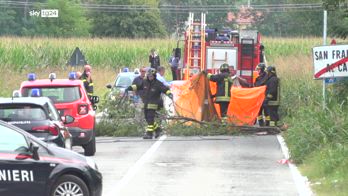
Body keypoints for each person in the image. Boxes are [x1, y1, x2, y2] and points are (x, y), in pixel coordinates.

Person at [126, 68, 173, 139]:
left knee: (150, 117)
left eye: (151, 76)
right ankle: (158, 130)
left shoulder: (158, 83)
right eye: (149, 76)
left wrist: (169, 94)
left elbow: (165, 89)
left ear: (154, 76)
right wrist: (130, 87)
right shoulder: (145, 82)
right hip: (146, 102)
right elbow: (138, 86)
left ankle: (149, 134)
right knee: (147, 118)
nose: (150, 77)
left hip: (154, 103)